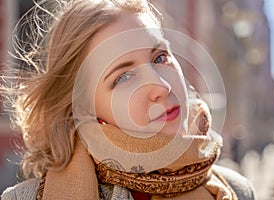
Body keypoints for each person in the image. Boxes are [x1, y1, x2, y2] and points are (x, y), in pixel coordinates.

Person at [1, 0, 255, 199]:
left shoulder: (236, 190)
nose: (162, 86)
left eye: (160, 58)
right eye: (124, 77)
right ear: (85, 108)